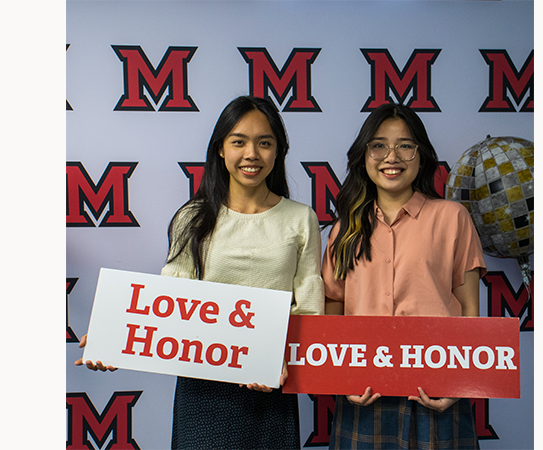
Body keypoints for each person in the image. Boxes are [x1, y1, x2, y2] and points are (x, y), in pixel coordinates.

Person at [76, 95, 324, 449]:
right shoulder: (192, 217)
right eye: (239, 141)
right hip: (203, 387)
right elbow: (169, 301)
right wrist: (116, 341)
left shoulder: (301, 218)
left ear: (277, 152)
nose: (251, 153)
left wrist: (279, 358)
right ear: (221, 149)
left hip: (270, 385)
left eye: (264, 143)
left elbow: (309, 304)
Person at [321, 102, 486, 449]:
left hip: (438, 393)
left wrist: (460, 383)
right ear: (364, 157)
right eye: (378, 145)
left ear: (421, 156)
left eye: (405, 145)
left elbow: (471, 309)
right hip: (365, 396)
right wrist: (342, 378)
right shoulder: (345, 230)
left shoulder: (452, 218)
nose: (391, 156)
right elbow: (332, 304)